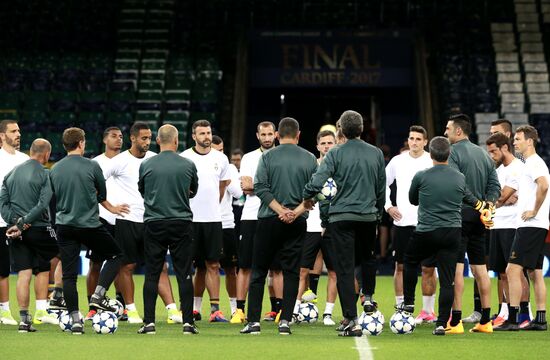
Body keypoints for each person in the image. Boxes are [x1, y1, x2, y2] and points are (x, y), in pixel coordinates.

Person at [303, 110, 386, 337]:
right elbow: (380, 188)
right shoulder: (376, 153)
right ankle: (368, 295)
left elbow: (318, 181)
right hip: (368, 217)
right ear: (361, 129)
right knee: (368, 258)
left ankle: (351, 319)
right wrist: (377, 214)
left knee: (344, 269)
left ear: (341, 130)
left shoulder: (335, 153)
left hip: (341, 218)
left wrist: (306, 194)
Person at [398, 136, 488, 336]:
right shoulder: (459, 177)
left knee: (410, 261)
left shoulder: (421, 175)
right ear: (449, 154)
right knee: (447, 279)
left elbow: (412, 200)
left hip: (427, 230)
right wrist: (483, 206)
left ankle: (409, 303)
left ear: (431, 153)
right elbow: (471, 198)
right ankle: (441, 323)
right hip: (452, 232)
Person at [240, 117, 317, 335]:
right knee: (292, 271)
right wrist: (296, 212)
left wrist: (280, 210)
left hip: (268, 219)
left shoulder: (267, 157)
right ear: (298, 134)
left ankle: (253, 321)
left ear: (277, 135)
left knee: (259, 271)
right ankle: (285, 321)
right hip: (297, 221)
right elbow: (315, 193)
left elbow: (261, 189)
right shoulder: (310, 158)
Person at [49, 127, 129, 334]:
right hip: (90, 225)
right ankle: (98, 295)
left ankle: (76, 320)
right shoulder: (92, 165)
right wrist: (111, 207)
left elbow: (52, 196)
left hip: (65, 226)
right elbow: (101, 194)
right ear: (81, 143)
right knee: (116, 255)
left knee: (68, 276)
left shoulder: (55, 169)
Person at [103, 122, 182, 324]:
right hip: (127, 221)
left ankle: (173, 310)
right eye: (143, 138)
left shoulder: (155, 160)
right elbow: (95, 184)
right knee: (126, 266)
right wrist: (110, 207)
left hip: (151, 221)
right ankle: (131, 310)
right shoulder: (119, 161)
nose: (147, 142)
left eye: (149, 138)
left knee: (160, 267)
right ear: (133, 138)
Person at [137, 124, 199, 335]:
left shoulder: (146, 164)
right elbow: (193, 191)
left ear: (157, 141)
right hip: (181, 222)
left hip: (154, 222)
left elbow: (143, 191)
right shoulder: (188, 164)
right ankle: (188, 323)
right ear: (176, 140)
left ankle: (149, 323)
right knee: (184, 274)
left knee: (152, 274)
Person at [444, 113, 500, 334]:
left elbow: (457, 185)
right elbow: (495, 185)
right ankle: (486, 321)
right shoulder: (483, 154)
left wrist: (477, 204)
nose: (445, 131)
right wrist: (488, 205)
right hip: (479, 218)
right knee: (480, 269)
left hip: (459, 215)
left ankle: (455, 322)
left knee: (457, 270)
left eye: (448, 128)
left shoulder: (452, 153)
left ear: (459, 131)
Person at [0, 139, 59, 331]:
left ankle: (24, 320)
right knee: (64, 252)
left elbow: (3, 202)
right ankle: (57, 300)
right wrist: (24, 223)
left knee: (24, 273)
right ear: (46, 155)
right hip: (38, 228)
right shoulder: (44, 173)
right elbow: (43, 204)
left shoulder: (11, 174)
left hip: (16, 231)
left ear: (31, 151)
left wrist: (14, 223)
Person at [496, 125, 549, 331]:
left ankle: (513, 319)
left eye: (518, 139)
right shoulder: (531, 163)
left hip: (531, 225)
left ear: (530, 141)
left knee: (512, 270)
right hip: (535, 224)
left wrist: (534, 210)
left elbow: (544, 186)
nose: (514, 142)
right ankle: (541, 319)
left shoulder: (534, 163)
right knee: (535, 272)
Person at [385, 126, 438, 324]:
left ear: (425, 142)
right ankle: (402, 307)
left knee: (428, 269)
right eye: (411, 138)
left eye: (418, 139)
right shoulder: (397, 161)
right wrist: (388, 207)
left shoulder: (432, 161)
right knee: (401, 266)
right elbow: (383, 183)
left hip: (427, 224)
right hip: (403, 223)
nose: (414, 142)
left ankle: (427, 311)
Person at [181, 120, 230, 322]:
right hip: (190, 220)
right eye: (202, 133)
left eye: (208, 132)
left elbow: (221, 187)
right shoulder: (185, 158)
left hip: (213, 220)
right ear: (194, 136)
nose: (206, 137)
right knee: (191, 266)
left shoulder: (222, 158)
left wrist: (212, 208)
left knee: (212, 264)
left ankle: (215, 310)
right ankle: (192, 309)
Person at [230, 121, 277, 324]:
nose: (267, 138)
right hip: (251, 216)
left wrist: (257, 187)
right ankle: (240, 310)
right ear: (257, 136)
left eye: (270, 134)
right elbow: (245, 188)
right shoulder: (249, 157)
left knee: (277, 267)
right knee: (245, 266)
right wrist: (270, 188)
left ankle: (278, 310)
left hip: (274, 215)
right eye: (263, 134)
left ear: (276, 135)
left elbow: (253, 187)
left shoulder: (281, 155)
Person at [295, 129, 338, 326]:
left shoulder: (341, 168)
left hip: (332, 226)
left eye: (330, 142)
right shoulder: (310, 167)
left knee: (334, 271)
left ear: (335, 144)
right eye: (324, 143)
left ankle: (328, 313)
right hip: (310, 225)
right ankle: (294, 310)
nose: (327, 146)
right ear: (318, 146)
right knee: (303, 270)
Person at [485, 133, 526, 327]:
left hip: (513, 225)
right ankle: (509, 314)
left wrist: (499, 199)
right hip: (497, 224)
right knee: (502, 273)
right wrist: (500, 198)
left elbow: (499, 198)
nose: (491, 155)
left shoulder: (518, 168)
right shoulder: (500, 170)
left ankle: (522, 314)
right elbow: (498, 197)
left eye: (493, 151)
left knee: (515, 273)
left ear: (505, 148)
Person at [86, 126, 124, 321]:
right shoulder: (95, 163)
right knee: (95, 263)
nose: (118, 139)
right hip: (101, 218)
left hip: (124, 219)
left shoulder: (128, 160)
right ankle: (92, 306)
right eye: (113, 136)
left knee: (120, 264)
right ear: (104, 140)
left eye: (121, 136)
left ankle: (121, 304)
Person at [0, 119, 29, 326]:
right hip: (0, 221)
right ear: (2, 136)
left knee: (14, 269)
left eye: (18, 130)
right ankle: (3, 311)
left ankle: (8, 311)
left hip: (19, 223)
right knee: (1, 269)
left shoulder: (25, 159)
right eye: (13, 131)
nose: (18, 134)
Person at [211, 135, 243, 317]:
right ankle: (198, 308)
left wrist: (226, 181)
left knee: (231, 269)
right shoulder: (202, 164)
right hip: (206, 222)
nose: (219, 154)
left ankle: (234, 310)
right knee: (206, 266)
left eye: (222, 150)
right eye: (217, 150)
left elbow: (238, 193)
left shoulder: (229, 167)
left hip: (226, 223)